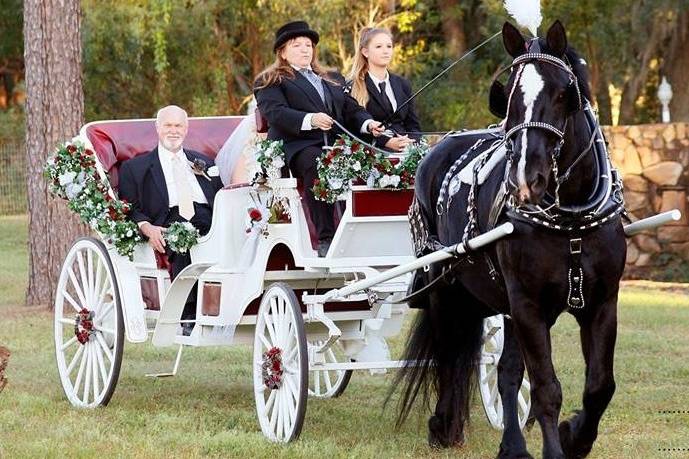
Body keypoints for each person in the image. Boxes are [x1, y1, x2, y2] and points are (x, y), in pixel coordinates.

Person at [254, 20, 384, 257]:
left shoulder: (331, 77)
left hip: (335, 145)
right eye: (297, 45)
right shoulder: (271, 79)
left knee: (369, 163)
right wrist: (310, 119)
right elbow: (275, 112)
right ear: (282, 52)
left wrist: (368, 123)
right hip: (297, 146)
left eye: (308, 45)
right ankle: (327, 238)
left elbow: (351, 109)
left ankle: (364, 231)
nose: (305, 49)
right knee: (317, 162)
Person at [118, 105, 224, 335]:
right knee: (182, 237)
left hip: (208, 216)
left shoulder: (205, 162)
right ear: (158, 128)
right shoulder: (136, 167)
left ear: (186, 129)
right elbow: (129, 207)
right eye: (168, 125)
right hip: (168, 220)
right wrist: (146, 227)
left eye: (178, 125)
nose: (173, 130)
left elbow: (221, 195)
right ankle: (188, 315)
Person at [348, 27, 422, 152]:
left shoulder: (403, 84)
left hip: (406, 152)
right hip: (373, 153)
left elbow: (413, 125)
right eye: (378, 47)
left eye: (389, 46)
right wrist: (387, 142)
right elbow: (355, 121)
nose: (385, 51)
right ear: (365, 52)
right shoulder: (354, 85)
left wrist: (411, 142)